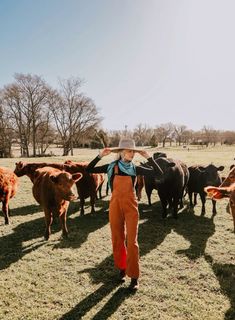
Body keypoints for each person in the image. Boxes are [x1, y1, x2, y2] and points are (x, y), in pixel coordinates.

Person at [86, 138, 164, 290]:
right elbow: (89, 169)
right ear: (121, 152)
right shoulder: (111, 166)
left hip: (131, 207)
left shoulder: (135, 169)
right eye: (129, 151)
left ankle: (134, 277)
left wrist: (148, 158)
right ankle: (122, 269)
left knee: (132, 242)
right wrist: (100, 156)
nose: (132, 154)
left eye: (133, 152)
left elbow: (159, 173)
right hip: (115, 205)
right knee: (117, 238)